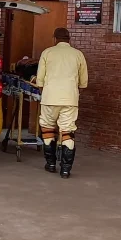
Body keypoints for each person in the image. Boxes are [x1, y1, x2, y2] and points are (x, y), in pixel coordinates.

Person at [35, 27, 88, 178]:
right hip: (70, 99)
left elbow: (40, 80)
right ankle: (65, 170)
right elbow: (83, 82)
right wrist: (74, 94)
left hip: (50, 98)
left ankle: (51, 164)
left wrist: (43, 92)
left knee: (47, 130)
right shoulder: (78, 55)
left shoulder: (47, 53)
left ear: (55, 38)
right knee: (67, 133)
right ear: (69, 38)